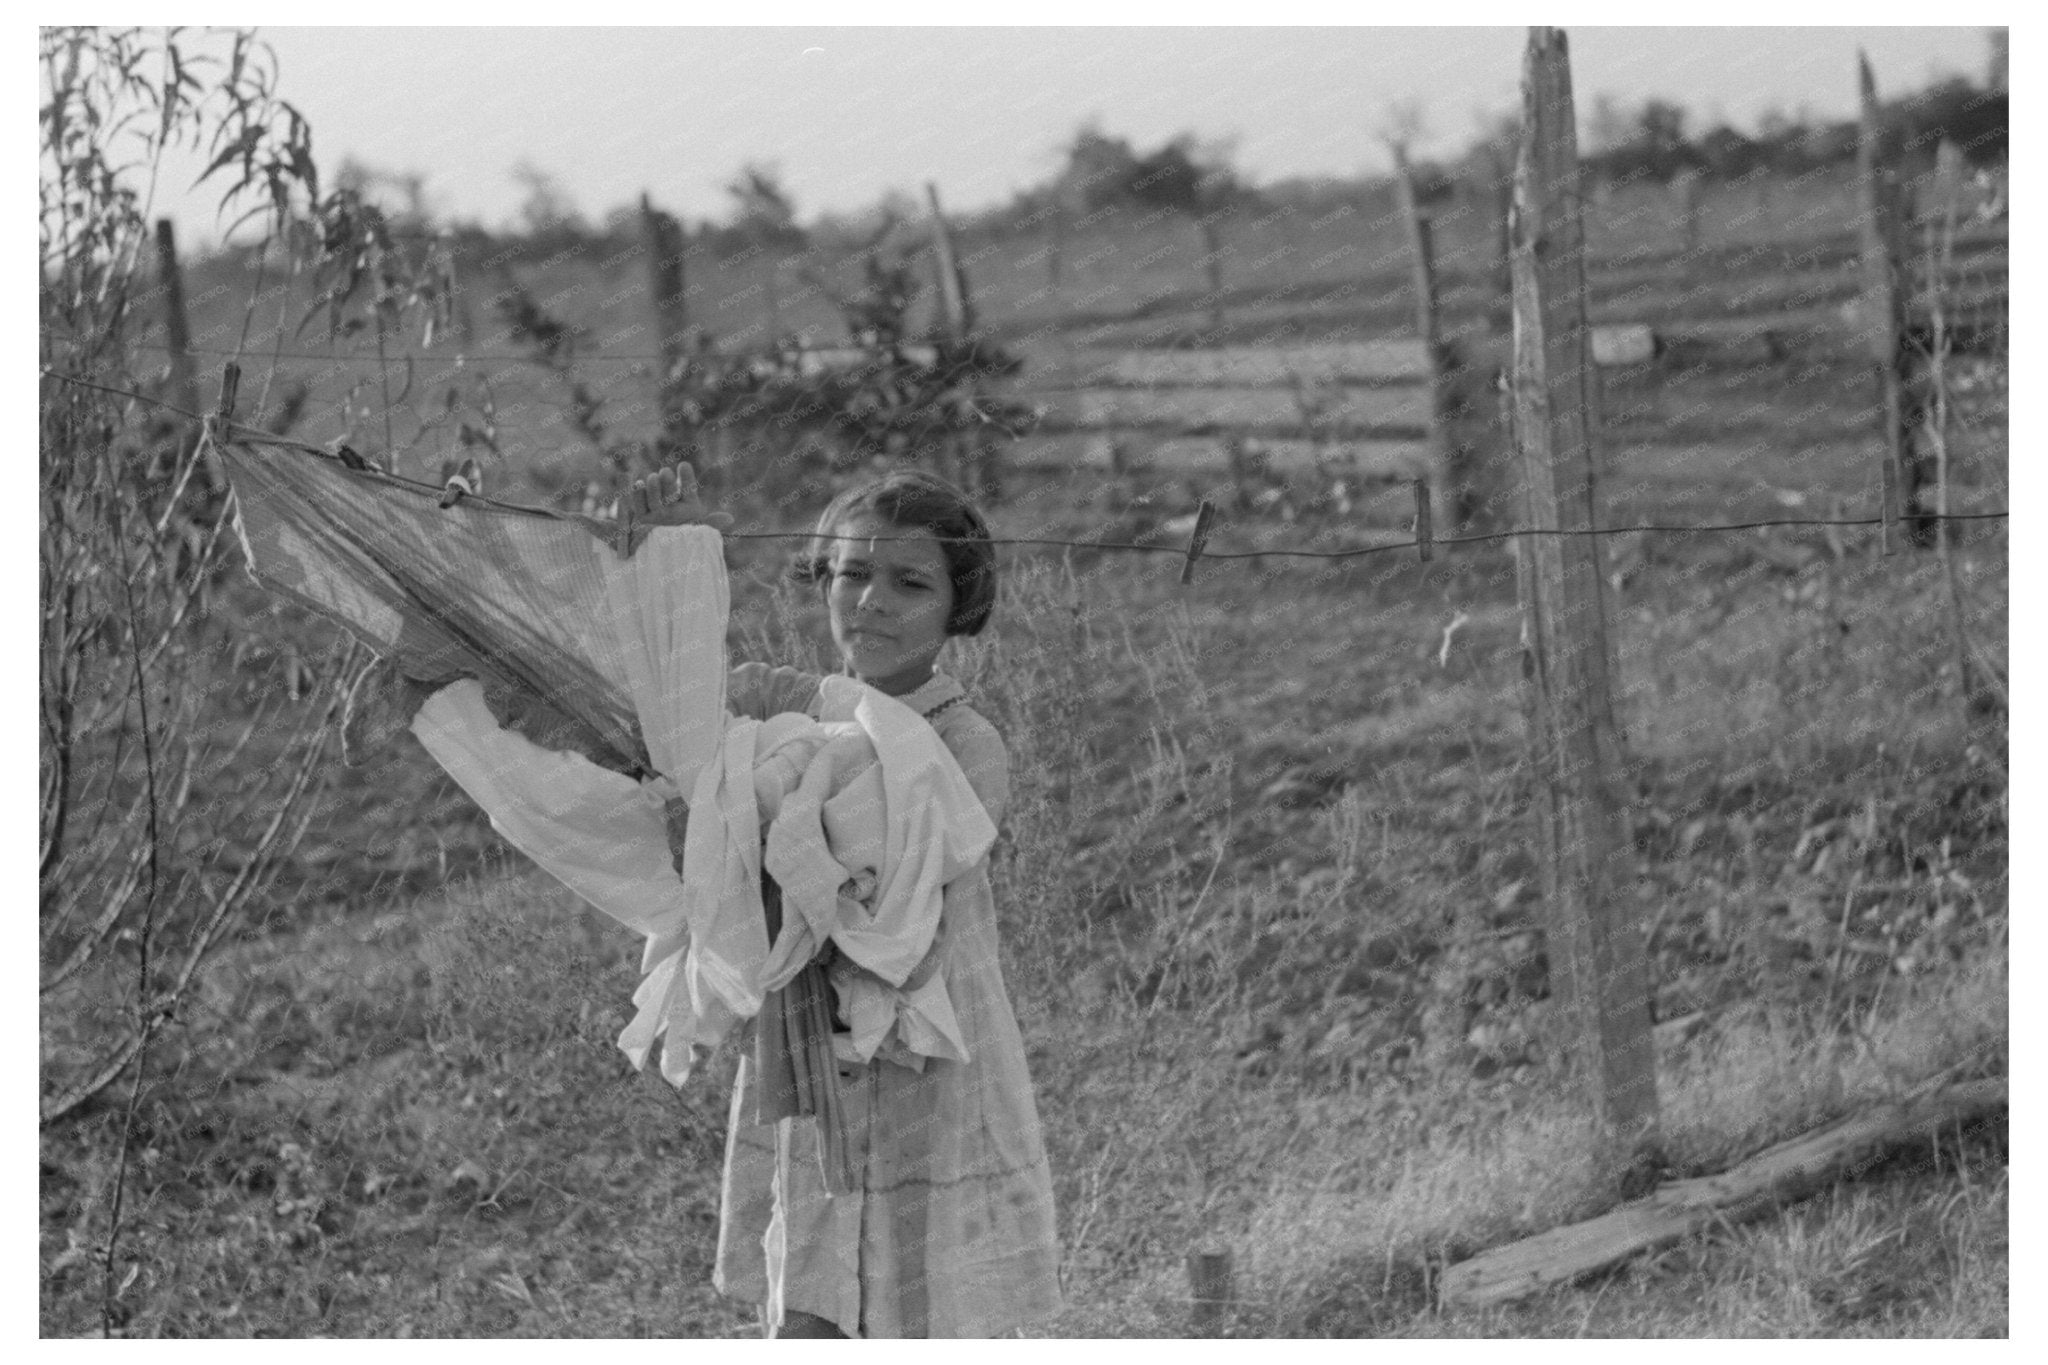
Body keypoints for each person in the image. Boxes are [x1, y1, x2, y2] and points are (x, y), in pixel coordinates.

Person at [625, 463, 1062, 1340]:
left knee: (919, 1306)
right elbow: (658, 713)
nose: (872, 602)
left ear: (955, 606)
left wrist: (729, 824)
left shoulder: (966, 745)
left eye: (910, 582)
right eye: (852, 573)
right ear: (821, 578)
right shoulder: (776, 707)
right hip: (806, 1057)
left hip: (921, 1063)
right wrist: (658, 563)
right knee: (812, 1303)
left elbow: (865, 889)